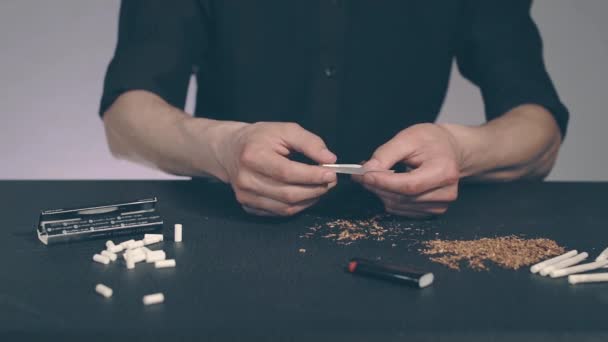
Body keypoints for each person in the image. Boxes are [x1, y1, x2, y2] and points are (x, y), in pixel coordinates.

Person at [100, 1, 568, 218]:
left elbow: (538, 129)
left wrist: (460, 150)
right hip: (224, 236)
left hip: (406, 246)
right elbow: (127, 117)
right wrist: (224, 147)